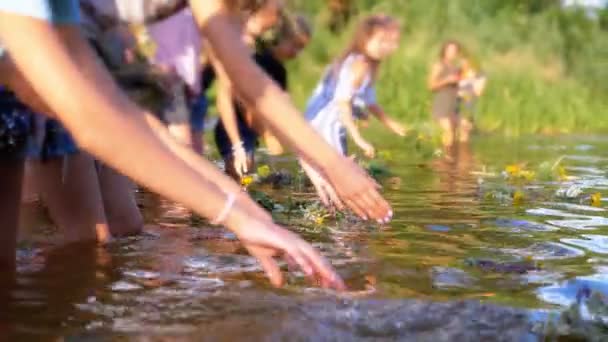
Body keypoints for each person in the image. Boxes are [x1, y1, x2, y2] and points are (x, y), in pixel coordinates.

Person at [0, 0, 391, 289]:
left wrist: (250, 215)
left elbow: (133, 121)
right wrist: (233, 214)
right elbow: (92, 122)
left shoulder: (65, 18)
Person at [301, 15, 405, 206]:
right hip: (324, 122)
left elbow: (369, 101)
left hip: (333, 121)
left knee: (336, 170)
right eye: (383, 41)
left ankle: (331, 212)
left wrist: (390, 123)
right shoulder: (358, 64)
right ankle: (336, 219)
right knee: (339, 170)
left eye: (392, 42)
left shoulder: (369, 65)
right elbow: (342, 103)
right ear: (365, 39)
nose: (389, 47)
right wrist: (358, 138)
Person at [214, 12, 312, 180]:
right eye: (294, 45)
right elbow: (248, 104)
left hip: (252, 129)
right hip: (234, 125)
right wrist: (268, 135)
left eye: (301, 48)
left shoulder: (280, 71)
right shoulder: (258, 61)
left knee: (245, 172)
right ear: (279, 38)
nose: (296, 53)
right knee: (241, 167)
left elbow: (284, 106)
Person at [209, 0, 282, 179]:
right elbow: (225, 97)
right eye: (278, 11)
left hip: (243, 125)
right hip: (228, 124)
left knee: (245, 172)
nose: (279, 19)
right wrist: (237, 145)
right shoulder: (232, 39)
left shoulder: (251, 46)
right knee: (240, 167)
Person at [428, 40, 463, 149]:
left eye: (454, 51)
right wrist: (447, 80)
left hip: (454, 103)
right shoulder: (439, 65)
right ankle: (446, 156)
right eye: (449, 50)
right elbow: (431, 85)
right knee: (447, 130)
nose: (452, 53)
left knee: (455, 131)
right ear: (444, 51)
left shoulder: (457, 68)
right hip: (442, 103)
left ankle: (450, 155)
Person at [456, 57, 487, 143]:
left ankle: (463, 150)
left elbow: (479, 92)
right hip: (454, 101)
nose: (464, 63)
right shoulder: (456, 72)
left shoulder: (478, 74)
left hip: (467, 103)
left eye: (466, 61)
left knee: (465, 129)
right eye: (462, 61)